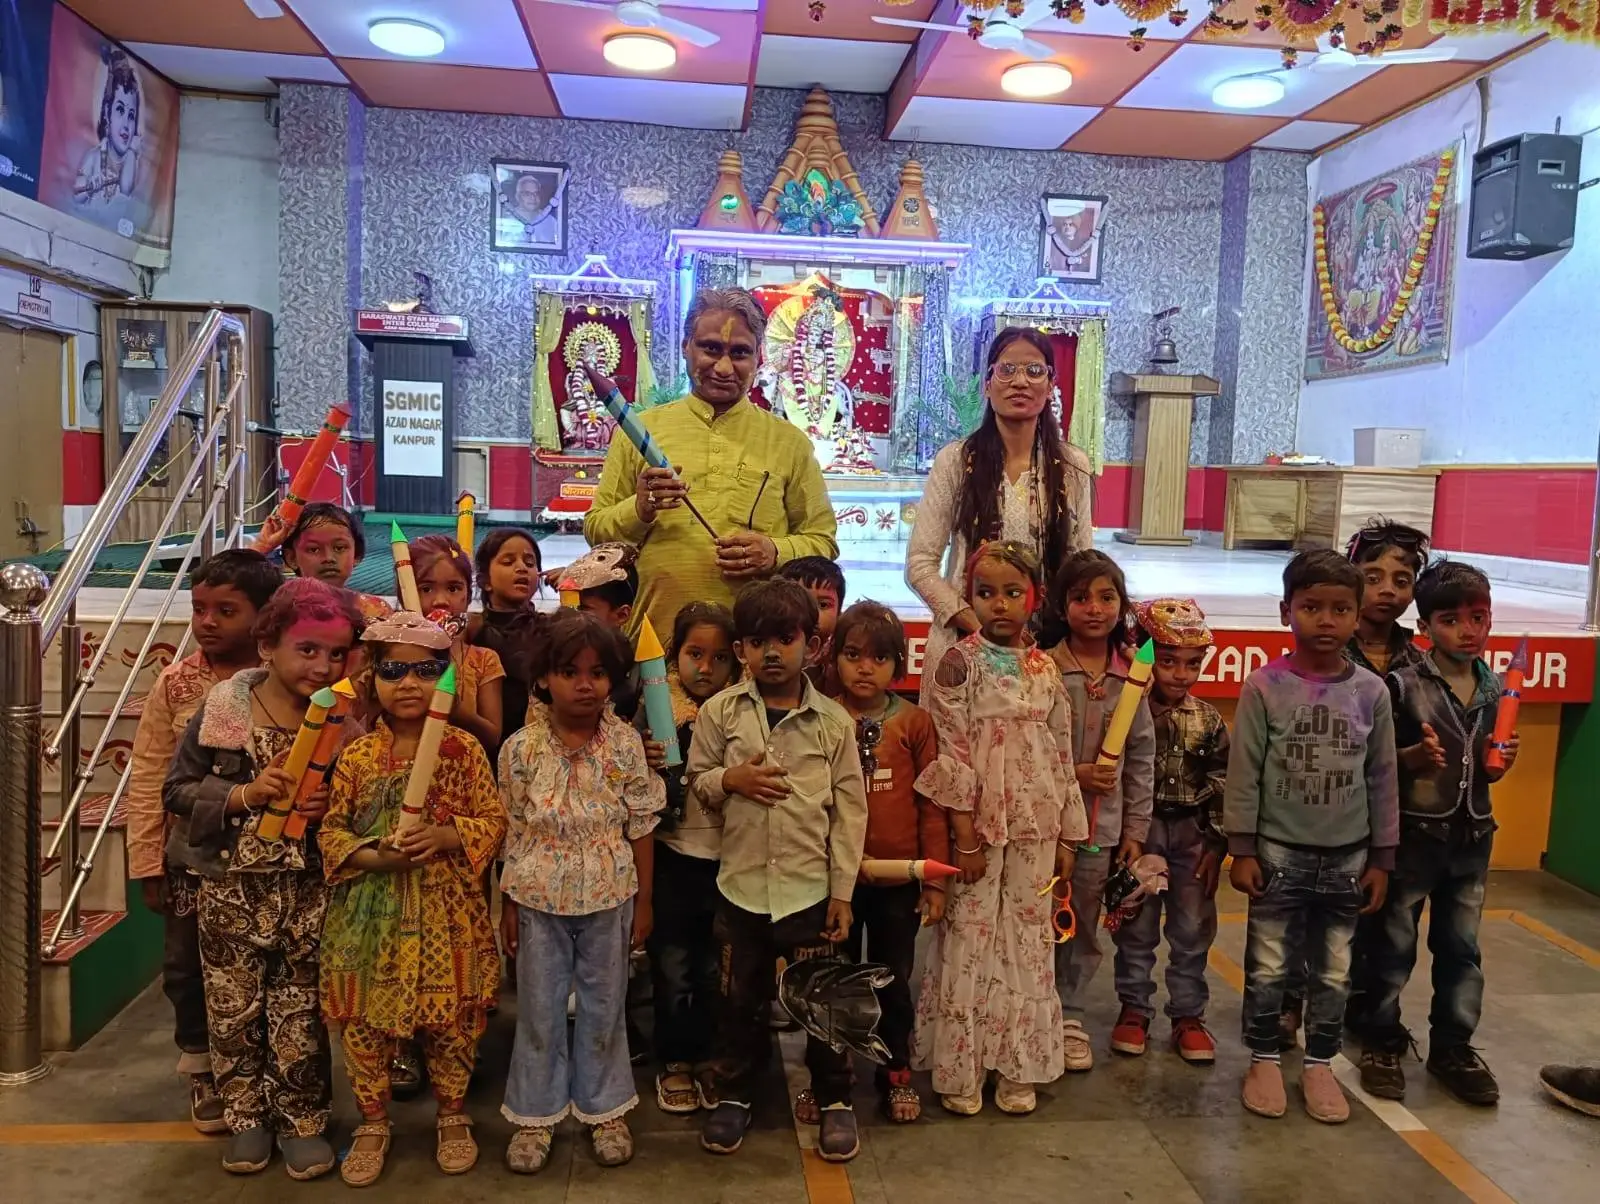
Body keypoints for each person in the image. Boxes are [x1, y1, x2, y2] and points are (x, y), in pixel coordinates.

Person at [162, 578, 362, 1179]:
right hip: (231, 885)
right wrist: (244, 794)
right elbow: (177, 790)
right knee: (233, 1008)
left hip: (307, 887)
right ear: (268, 646)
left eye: (336, 654)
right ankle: (247, 1118)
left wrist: (332, 806)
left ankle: (302, 1119)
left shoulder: (343, 724)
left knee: (299, 1007)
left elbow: (361, 803)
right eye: (308, 649)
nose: (322, 666)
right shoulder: (225, 711)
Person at [319, 614, 506, 1186]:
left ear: (445, 679)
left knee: (452, 1022)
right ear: (372, 679)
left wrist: (447, 836)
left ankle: (452, 1113)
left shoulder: (463, 750)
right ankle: (373, 1120)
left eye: (426, 671)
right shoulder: (356, 756)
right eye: (394, 671)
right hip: (368, 916)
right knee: (364, 1024)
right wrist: (375, 857)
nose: (409, 684)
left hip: (448, 912)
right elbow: (332, 831)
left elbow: (494, 820)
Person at [686, 578, 867, 1161]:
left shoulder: (833, 724)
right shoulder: (720, 713)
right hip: (740, 890)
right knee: (737, 1002)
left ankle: (834, 1099)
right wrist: (730, 779)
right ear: (740, 648)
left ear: (812, 645)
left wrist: (842, 893)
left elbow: (849, 813)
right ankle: (735, 1094)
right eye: (757, 641)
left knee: (824, 1004)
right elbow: (697, 780)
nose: (771, 653)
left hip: (810, 892)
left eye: (785, 639)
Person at [913, 541, 1088, 1118]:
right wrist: (964, 836)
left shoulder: (1045, 668)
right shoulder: (959, 663)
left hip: (1037, 826)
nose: (1000, 604)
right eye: (986, 593)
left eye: (1013, 592)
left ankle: (1016, 1064)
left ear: (1035, 598)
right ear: (970, 597)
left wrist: (1069, 834)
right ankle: (963, 1067)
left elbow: (1060, 752)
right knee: (970, 936)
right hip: (978, 830)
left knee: (1028, 939)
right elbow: (953, 752)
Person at [1224, 550, 1398, 1125]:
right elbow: (1244, 773)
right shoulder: (1264, 686)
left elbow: (1383, 777)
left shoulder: (1372, 692)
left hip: (1349, 859)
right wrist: (1242, 848)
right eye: (1311, 607)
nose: (1326, 620)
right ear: (1286, 612)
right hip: (1277, 854)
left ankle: (1320, 1063)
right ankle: (1264, 1058)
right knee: (1268, 964)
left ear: (1357, 615)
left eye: (1340, 609)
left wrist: (1382, 858)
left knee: (1335, 969)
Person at [498, 611, 664, 1174]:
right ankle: (534, 1115)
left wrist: (644, 902)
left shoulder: (626, 745)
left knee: (605, 1006)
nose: (584, 685)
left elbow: (641, 824)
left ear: (614, 680)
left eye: (597, 673)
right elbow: (513, 829)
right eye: (569, 672)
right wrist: (508, 906)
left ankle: (604, 1109)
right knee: (539, 1009)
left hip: (610, 896)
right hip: (537, 898)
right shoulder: (520, 749)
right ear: (544, 678)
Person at [126, 549, 283, 1133]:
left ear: (265, 617)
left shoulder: (285, 680)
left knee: (265, 972)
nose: (208, 622)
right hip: (193, 859)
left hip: (268, 861)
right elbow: (150, 774)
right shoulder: (178, 682)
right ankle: (204, 1069)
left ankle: (265, 1073)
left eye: (226, 610)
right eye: (199, 609)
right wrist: (147, 862)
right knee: (186, 967)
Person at [584, 286, 839, 641]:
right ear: (685, 347)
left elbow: (823, 542)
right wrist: (639, 509)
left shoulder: (789, 443)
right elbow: (596, 532)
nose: (723, 367)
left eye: (739, 353)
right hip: (654, 645)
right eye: (711, 349)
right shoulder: (638, 433)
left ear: (759, 357)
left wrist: (774, 551)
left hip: (756, 649)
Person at [1358, 561, 1516, 1107]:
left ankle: (1454, 1046)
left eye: (1478, 618)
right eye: (1451, 621)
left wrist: (1501, 763)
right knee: (1392, 945)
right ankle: (1381, 1039)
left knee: (1462, 949)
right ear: (1425, 627)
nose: (1468, 631)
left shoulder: (1496, 688)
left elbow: (1488, 764)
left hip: (1472, 838)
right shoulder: (1403, 685)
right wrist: (1414, 757)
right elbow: (1378, 761)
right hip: (1414, 837)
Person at [1285, 517, 1432, 1045]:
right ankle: (1290, 1004)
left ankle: (1368, 1013)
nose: (1388, 591)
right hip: (1325, 813)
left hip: (1395, 818)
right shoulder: (1323, 655)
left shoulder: (1422, 661)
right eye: (1373, 577)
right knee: (1305, 919)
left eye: (1402, 580)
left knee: (1382, 923)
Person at [905, 327, 1093, 710]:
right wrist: (980, 625)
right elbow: (920, 565)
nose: (1020, 381)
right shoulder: (956, 461)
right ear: (987, 384)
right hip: (963, 646)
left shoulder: (1071, 466)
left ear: (1051, 386)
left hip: (1044, 650)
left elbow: (1082, 565)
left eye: (1034, 371)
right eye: (1007, 369)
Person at [831, 601, 945, 1123]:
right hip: (836, 880)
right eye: (853, 655)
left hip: (899, 880)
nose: (864, 668)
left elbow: (931, 804)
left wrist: (935, 880)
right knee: (834, 979)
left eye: (879, 658)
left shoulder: (915, 723)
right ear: (834, 658)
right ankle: (831, 1075)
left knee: (893, 980)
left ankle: (895, 1071)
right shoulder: (823, 718)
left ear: (899, 664)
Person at [1043, 550, 1155, 1070]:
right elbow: (1026, 750)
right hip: (1043, 829)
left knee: (1082, 924)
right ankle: (1031, 1008)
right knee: (1035, 917)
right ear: (1060, 606)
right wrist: (1076, 775)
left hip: (1099, 832)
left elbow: (1141, 757)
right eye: (1081, 597)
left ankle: (1069, 1012)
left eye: (1107, 597)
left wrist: (1135, 828)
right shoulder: (1043, 670)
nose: (1094, 608)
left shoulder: (1131, 678)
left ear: (1121, 605)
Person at [1112, 598, 1230, 1064]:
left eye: (1192, 664)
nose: (1181, 675)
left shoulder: (1208, 719)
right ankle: (1133, 1008)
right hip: (1140, 832)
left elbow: (1221, 781)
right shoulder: (1127, 711)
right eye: (1168, 662)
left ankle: (1188, 1015)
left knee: (1192, 927)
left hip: (1191, 834)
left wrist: (1217, 844)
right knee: (1136, 926)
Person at [650, 601, 740, 1115]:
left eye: (720, 657)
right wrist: (645, 757)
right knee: (674, 967)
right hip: (675, 856)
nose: (706, 668)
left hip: (730, 860)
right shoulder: (656, 708)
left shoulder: (745, 712)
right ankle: (674, 1060)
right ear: (674, 656)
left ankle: (711, 1058)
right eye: (695, 654)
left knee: (716, 970)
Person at [410, 534, 503, 754]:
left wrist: (457, 710)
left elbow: (493, 737)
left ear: (468, 596)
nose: (440, 601)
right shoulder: (390, 657)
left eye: (453, 589)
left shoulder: (484, 661)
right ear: (405, 595)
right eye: (426, 589)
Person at [470, 526, 545, 750]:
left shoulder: (549, 629)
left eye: (530, 563)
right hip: (488, 746)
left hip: (536, 746)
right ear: (485, 581)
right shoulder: (473, 631)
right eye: (508, 561)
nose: (522, 567)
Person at [270, 502, 392, 625]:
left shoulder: (375, 610)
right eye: (314, 549)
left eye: (339, 548)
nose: (328, 558)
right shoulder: (279, 611)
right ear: (292, 558)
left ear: (356, 554)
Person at [73, 50, 141, 206]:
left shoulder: (131, 161)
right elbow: (76, 195)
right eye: (120, 110)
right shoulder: (94, 156)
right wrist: (89, 185)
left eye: (131, 116)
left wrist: (132, 151)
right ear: (107, 113)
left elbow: (125, 190)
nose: (126, 124)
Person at [779, 556, 846, 688]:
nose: (813, 614)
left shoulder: (844, 658)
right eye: (799, 603)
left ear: (839, 613)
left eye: (823, 605)